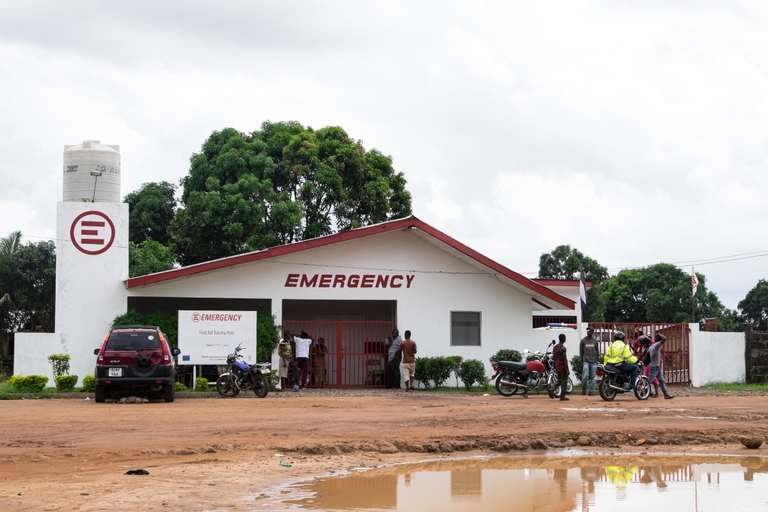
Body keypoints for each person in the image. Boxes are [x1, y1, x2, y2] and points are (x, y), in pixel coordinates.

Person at [642, 333, 674, 399]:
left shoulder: (652, 346)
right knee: (649, 381)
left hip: (656, 367)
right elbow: (665, 338)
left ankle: (666, 395)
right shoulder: (656, 345)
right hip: (654, 367)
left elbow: (647, 357)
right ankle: (642, 392)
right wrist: (659, 334)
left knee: (661, 380)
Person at [579, 326, 599, 396]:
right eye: (587, 330)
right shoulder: (583, 341)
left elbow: (597, 351)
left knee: (593, 377)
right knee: (585, 375)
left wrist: (597, 360)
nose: (588, 332)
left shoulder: (595, 341)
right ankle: (583, 390)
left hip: (593, 361)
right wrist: (581, 361)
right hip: (586, 361)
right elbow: (581, 352)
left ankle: (591, 391)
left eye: (590, 331)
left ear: (592, 332)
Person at [553, 333, 570, 401]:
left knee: (559, 380)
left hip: (557, 366)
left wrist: (555, 365)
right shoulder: (563, 348)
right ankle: (562, 397)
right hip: (562, 367)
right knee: (564, 382)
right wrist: (567, 369)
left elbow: (554, 357)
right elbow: (564, 359)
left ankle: (551, 388)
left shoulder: (555, 347)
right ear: (563, 339)